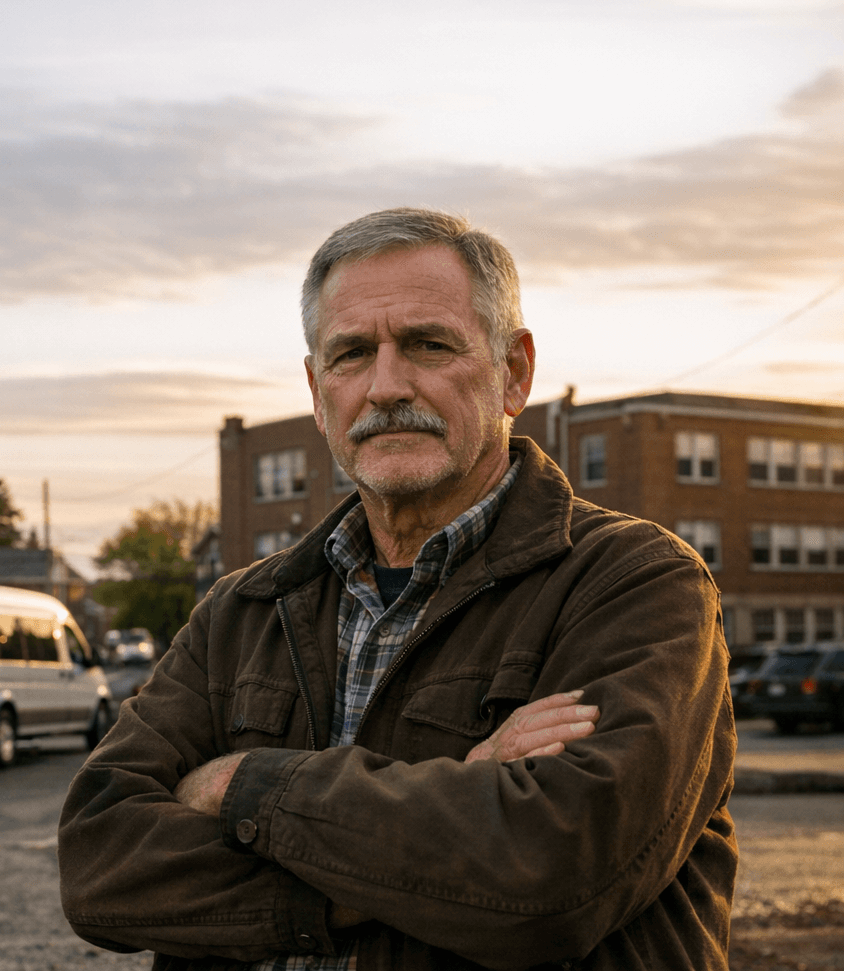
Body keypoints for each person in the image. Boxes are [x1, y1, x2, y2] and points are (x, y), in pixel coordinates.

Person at [58, 208, 737, 970]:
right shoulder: (242, 612)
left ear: (513, 372)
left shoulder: (634, 581)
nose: (385, 387)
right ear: (318, 392)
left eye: (428, 344)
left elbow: (552, 875)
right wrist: (433, 833)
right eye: (351, 354)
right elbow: (100, 869)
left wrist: (240, 786)